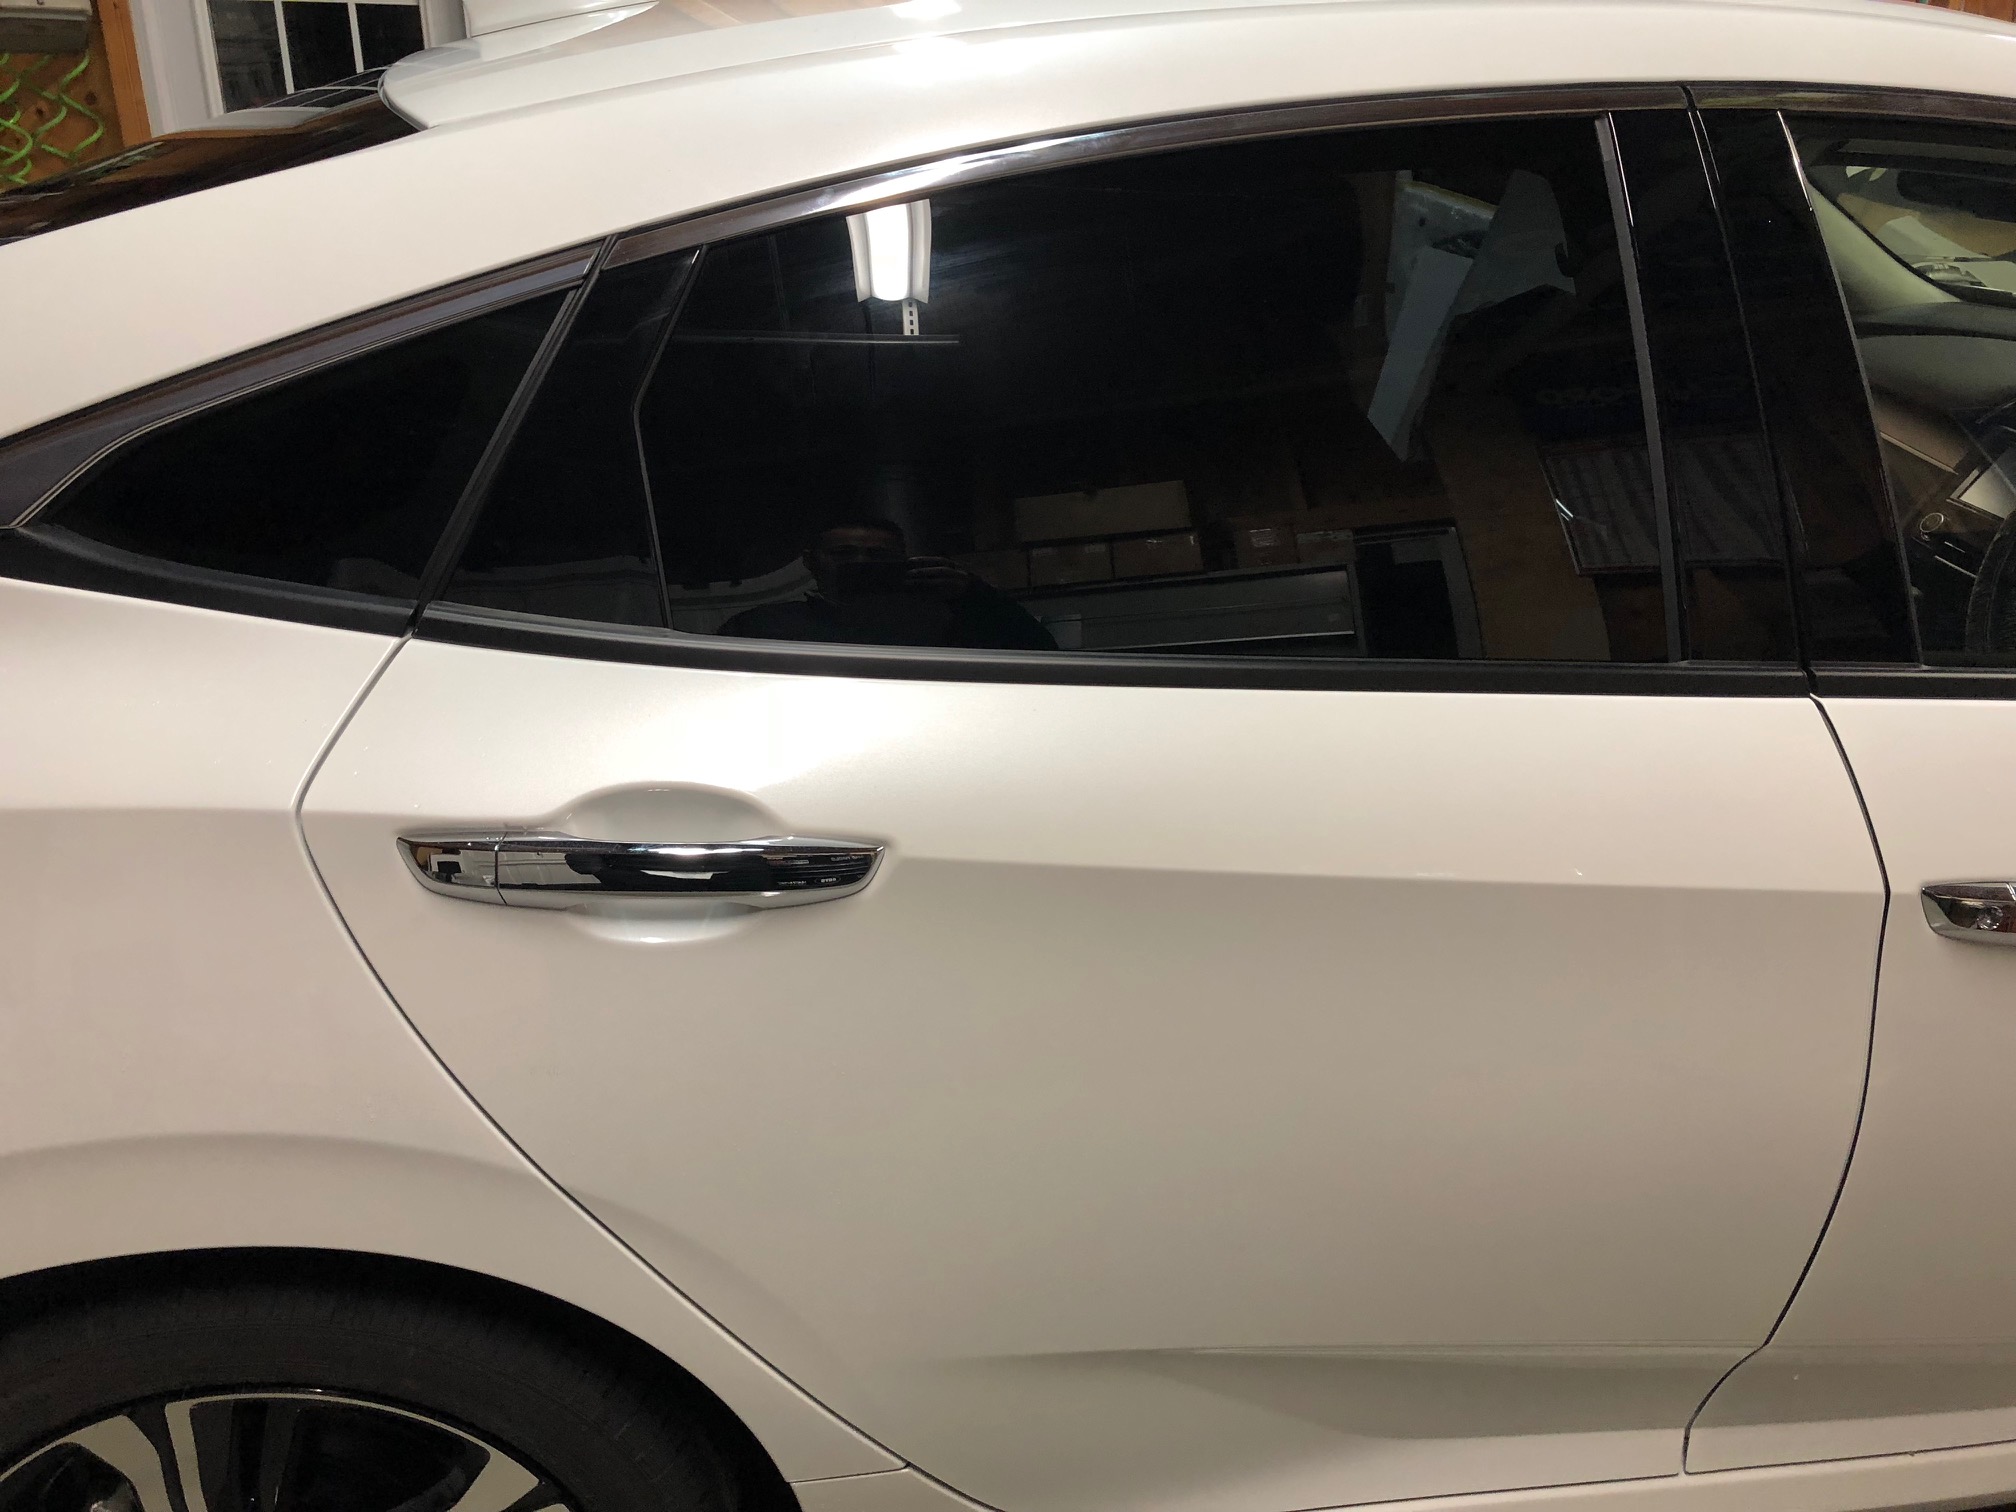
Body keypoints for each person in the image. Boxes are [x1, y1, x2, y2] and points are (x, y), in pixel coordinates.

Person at [721, 518, 1055, 650]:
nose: (861, 563)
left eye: (878, 556)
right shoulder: (763, 626)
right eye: (843, 554)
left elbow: (1038, 653)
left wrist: (973, 595)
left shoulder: (940, 621)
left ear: (901, 560)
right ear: (811, 561)